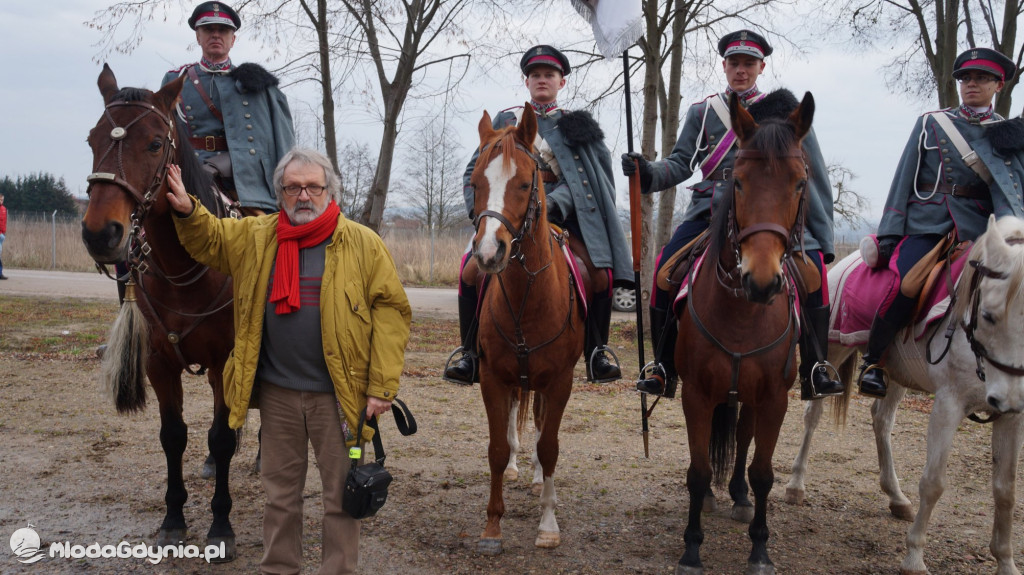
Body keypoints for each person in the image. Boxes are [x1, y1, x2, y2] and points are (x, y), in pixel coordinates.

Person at [166, 147, 412, 574]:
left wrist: (380, 386)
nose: (303, 195)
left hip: (340, 398)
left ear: (328, 191)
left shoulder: (362, 244)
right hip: (279, 396)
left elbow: (392, 313)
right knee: (279, 497)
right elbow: (210, 240)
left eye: (313, 187)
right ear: (280, 192)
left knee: (341, 498)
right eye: (293, 187)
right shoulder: (256, 237)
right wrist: (189, 210)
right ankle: (280, 568)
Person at [621, 29, 841, 401]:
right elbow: (679, 165)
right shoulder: (702, 111)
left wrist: (822, 238)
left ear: (761, 67)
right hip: (709, 209)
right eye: (734, 63)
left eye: (749, 64)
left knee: (815, 272)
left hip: (766, 211)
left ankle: (814, 367)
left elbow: (812, 176)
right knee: (663, 271)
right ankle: (662, 367)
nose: (741, 70)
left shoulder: (787, 113)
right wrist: (646, 170)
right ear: (724, 66)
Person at [443, 45, 634, 385]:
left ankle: (596, 352)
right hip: (507, 218)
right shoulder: (505, 121)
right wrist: (484, 216)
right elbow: (474, 172)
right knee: (469, 272)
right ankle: (469, 353)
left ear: (562, 82)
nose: (542, 80)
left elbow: (585, 185)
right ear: (526, 81)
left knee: (600, 275)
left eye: (549, 75)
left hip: (561, 221)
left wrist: (549, 205)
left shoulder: (576, 128)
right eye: (536, 75)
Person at [857, 47, 1022, 398]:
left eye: (981, 78)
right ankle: (873, 362)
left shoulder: (1007, 132)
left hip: (980, 227)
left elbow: (1011, 189)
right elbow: (904, 177)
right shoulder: (932, 122)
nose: (971, 84)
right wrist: (889, 232)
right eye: (965, 78)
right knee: (907, 283)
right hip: (929, 224)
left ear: (999, 84)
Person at [163, 1, 295, 214]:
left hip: (248, 182)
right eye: (208, 29)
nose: (216, 35)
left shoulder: (261, 86)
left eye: (223, 30)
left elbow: (285, 145)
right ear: (198, 36)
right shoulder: (176, 80)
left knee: (270, 240)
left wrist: (289, 190)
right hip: (190, 173)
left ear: (232, 40)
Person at [0, 193, 7, 280]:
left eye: (2, 200)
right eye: (0, 199)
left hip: (2, 235)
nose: (1, 201)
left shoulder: (4, 209)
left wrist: (3, 233)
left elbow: (4, 222)